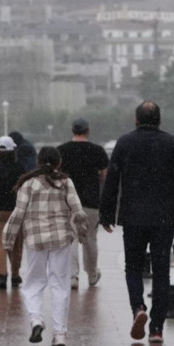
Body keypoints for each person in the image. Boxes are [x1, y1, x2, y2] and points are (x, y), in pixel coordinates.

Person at [100, 101, 174, 343]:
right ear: (159, 120)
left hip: (133, 217)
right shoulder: (171, 143)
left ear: (136, 120)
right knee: (161, 270)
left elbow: (112, 180)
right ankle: (156, 328)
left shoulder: (124, 143)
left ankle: (138, 308)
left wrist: (106, 214)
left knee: (132, 267)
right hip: (163, 217)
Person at [3, 147, 89, 346]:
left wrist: (8, 240)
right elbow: (78, 211)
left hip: (35, 240)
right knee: (60, 284)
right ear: (58, 163)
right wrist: (83, 234)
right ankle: (60, 334)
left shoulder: (28, 184)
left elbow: (18, 213)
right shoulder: (65, 182)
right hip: (61, 239)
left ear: (38, 162)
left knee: (33, 283)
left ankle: (36, 320)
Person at [57, 118, 109, 289]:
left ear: (72, 130)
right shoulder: (98, 151)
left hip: (67, 202)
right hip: (91, 201)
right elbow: (104, 176)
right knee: (90, 240)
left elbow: (56, 176)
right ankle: (92, 274)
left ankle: (73, 276)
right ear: (88, 130)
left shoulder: (61, 151)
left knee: (71, 239)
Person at [0, 136, 24, 291]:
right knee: (16, 244)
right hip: (15, 210)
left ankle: (2, 276)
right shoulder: (19, 167)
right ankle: (15, 275)